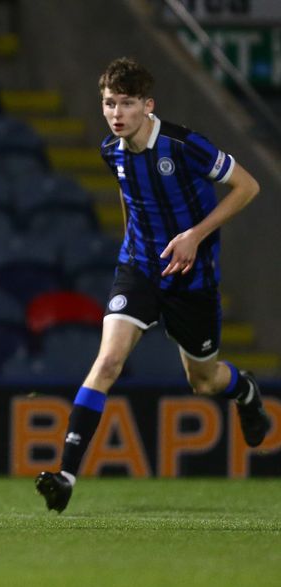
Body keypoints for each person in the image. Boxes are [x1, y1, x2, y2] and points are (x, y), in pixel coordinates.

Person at [35, 58, 270, 513]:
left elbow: (249, 186)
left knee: (203, 380)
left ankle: (244, 391)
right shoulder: (112, 151)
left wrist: (195, 236)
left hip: (192, 277)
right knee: (107, 362)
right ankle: (65, 473)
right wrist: (133, 250)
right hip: (140, 270)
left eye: (126, 103)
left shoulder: (184, 146)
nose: (116, 113)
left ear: (148, 105)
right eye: (108, 103)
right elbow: (131, 201)